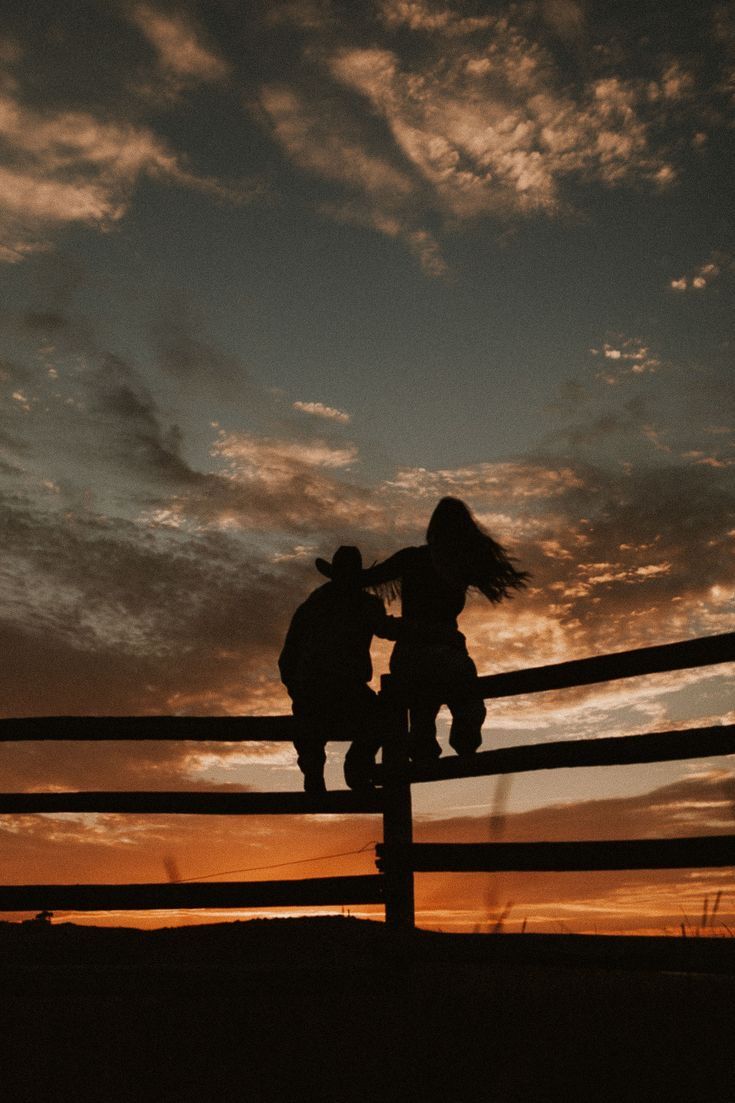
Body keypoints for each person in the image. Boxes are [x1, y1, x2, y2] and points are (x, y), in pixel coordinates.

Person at [360, 497, 529, 766]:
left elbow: (367, 580)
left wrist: (346, 577)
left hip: (413, 655)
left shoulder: (421, 560)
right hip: (441, 655)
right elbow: (368, 580)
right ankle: (457, 743)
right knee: (464, 706)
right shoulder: (454, 565)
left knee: (425, 715)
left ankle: (429, 747)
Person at [278, 545, 402, 793]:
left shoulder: (313, 603)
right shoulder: (365, 604)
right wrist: (420, 629)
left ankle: (316, 772)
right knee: (383, 718)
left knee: (308, 727)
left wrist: (297, 690)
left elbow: (287, 657)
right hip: (345, 690)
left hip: (312, 690)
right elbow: (386, 629)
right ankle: (356, 766)